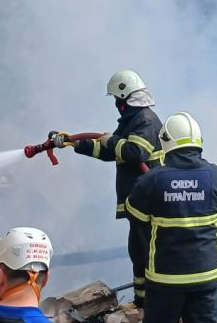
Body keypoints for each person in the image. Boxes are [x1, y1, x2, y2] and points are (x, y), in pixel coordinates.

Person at [125, 112, 217, 323]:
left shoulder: (151, 181)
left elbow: (136, 216)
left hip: (165, 280)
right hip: (206, 278)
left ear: (165, 143)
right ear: (197, 141)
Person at [64, 69, 162, 306]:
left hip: (147, 201)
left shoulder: (146, 120)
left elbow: (136, 152)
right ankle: (142, 303)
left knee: (147, 254)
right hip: (137, 200)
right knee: (138, 253)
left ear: (124, 97)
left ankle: (153, 304)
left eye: (117, 100)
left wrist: (113, 140)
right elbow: (109, 151)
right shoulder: (132, 120)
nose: (116, 105)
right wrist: (75, 143)